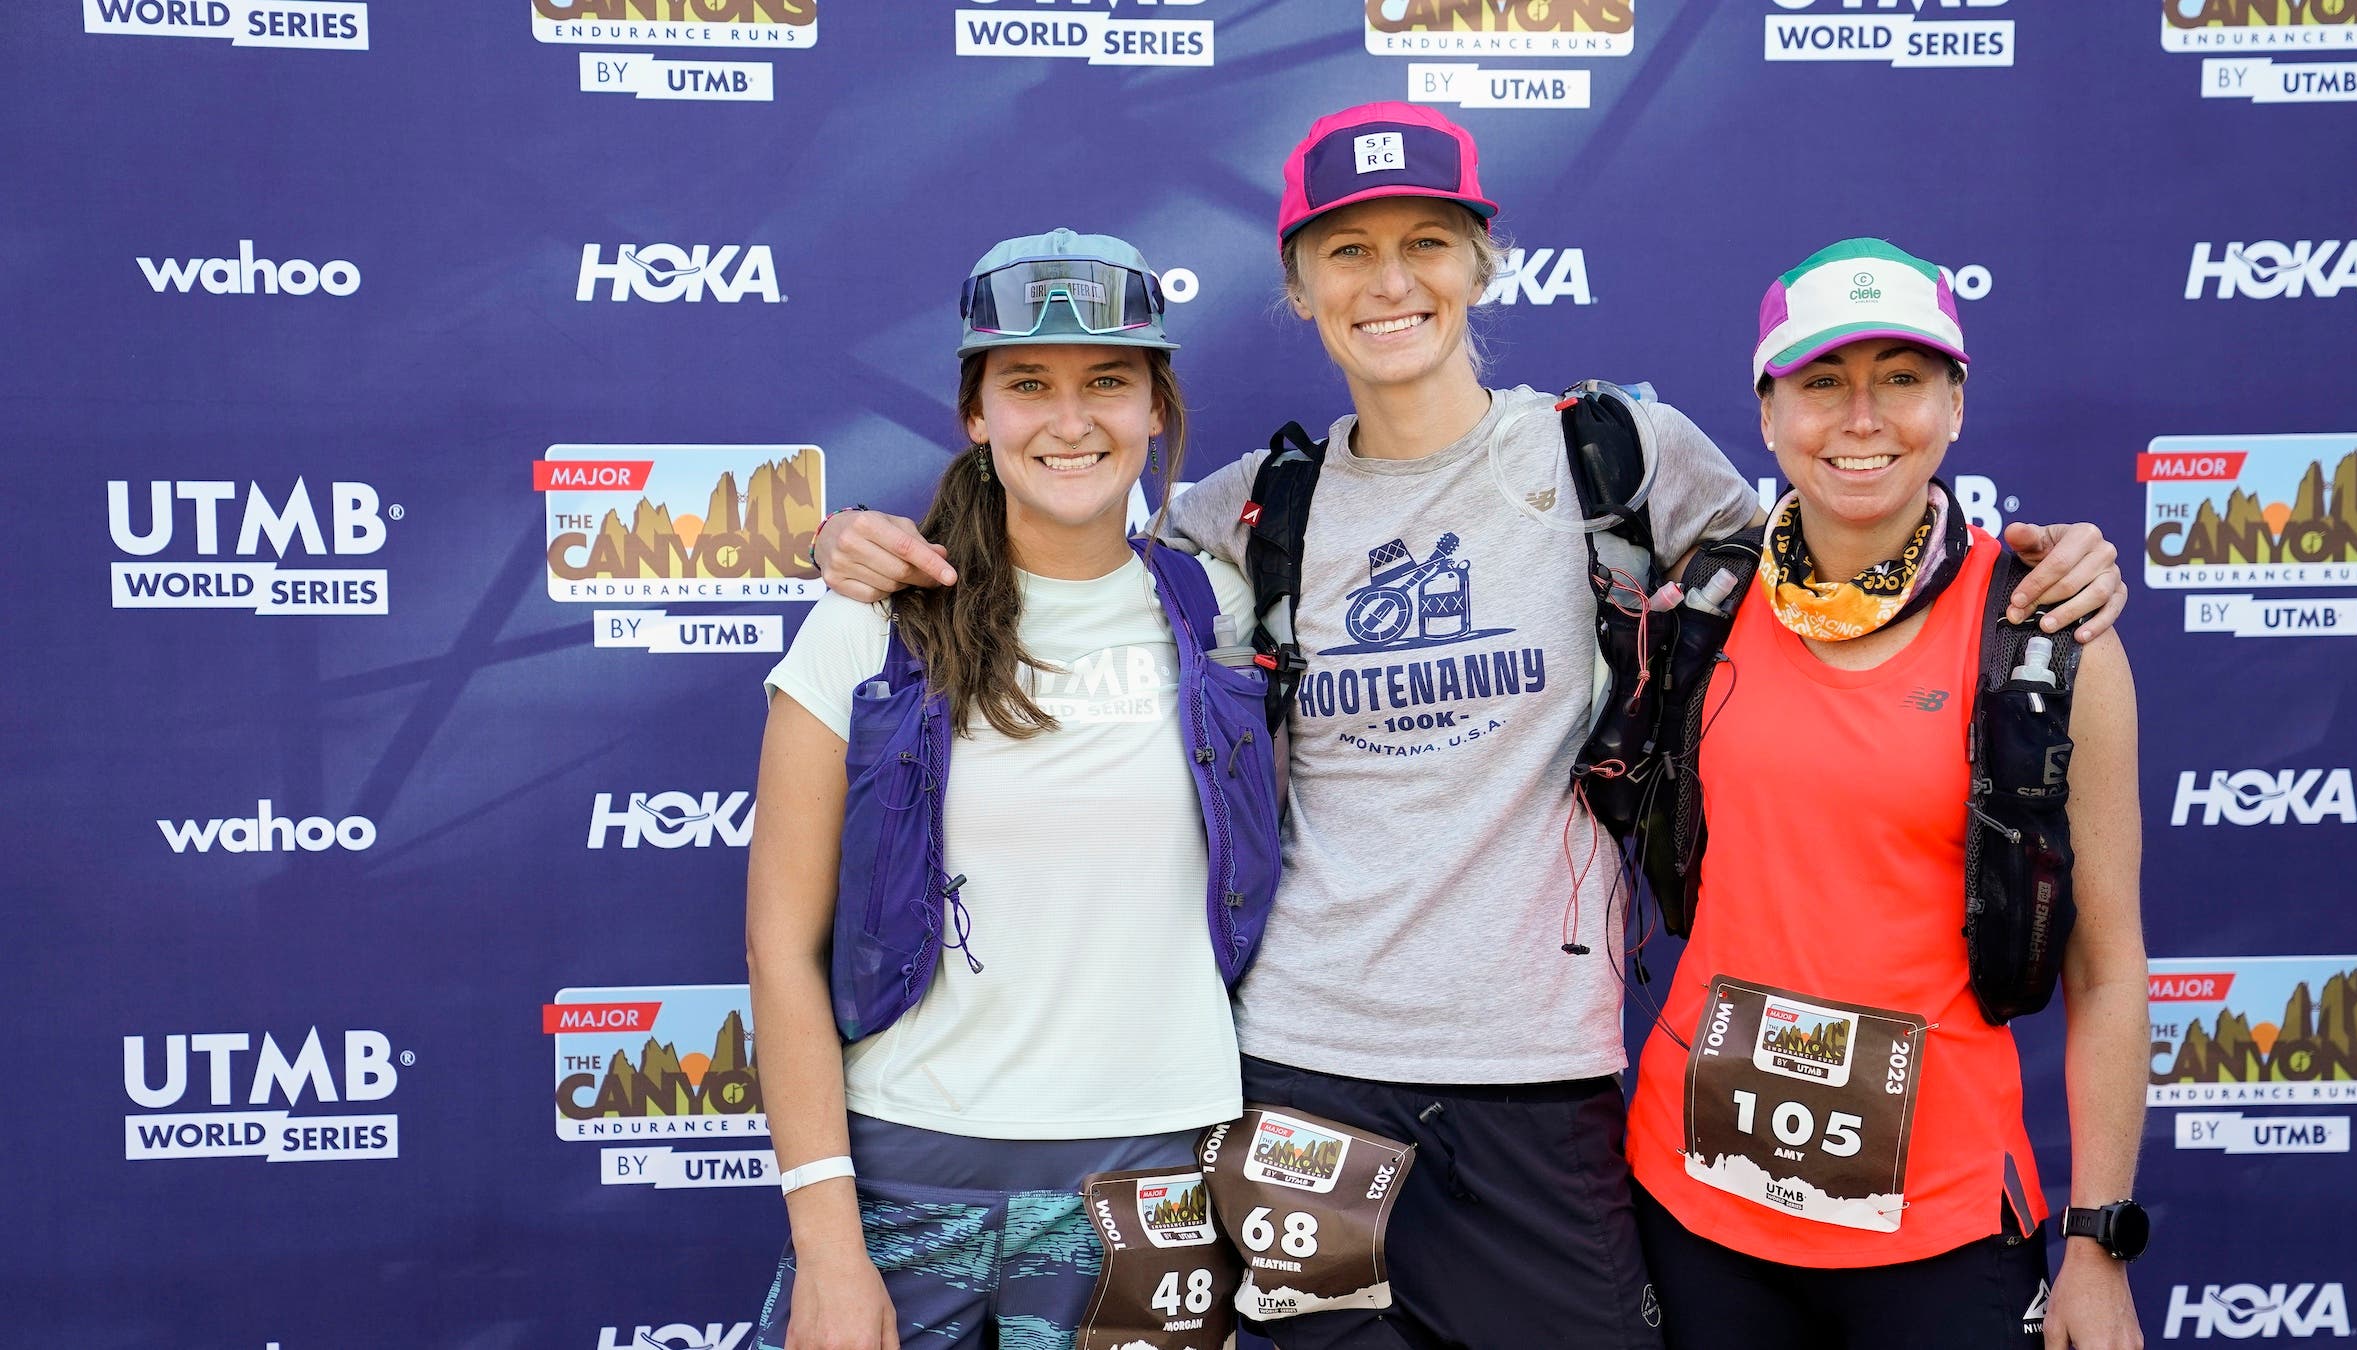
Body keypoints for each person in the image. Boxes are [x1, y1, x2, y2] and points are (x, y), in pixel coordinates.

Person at [811, 107, 2130, 1349]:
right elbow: (1063, 541)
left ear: (1483, 263)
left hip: (1538, 1079)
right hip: (1301, 1081)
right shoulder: (1245, 509)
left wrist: (2035, 566)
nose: (1390, 281)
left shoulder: (1618, 458)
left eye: (1425, 244)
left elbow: (1835, 556)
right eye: (1349, 251)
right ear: (1301, 284)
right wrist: (861, 541)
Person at [745, 228, 1279, 1350]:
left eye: (1109, 383)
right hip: (906, 1182)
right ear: (976, 414)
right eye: (1028, 384)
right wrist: (832, 1251)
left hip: (1155, 1192)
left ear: (1156, 408)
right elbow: (780, 950)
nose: (1071, 420)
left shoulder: (1217, 609)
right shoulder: (870, 620)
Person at [1621, 239, 2149, 1350]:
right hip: (1696, 1209)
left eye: (1902, 379)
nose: (1862, 418)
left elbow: (2107, 970)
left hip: (1944, 1228)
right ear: (1767, 415)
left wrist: (2096, 1244)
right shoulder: (1701, 608)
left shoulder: (2049, 640)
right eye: (1822, 383)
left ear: (1954, 406)